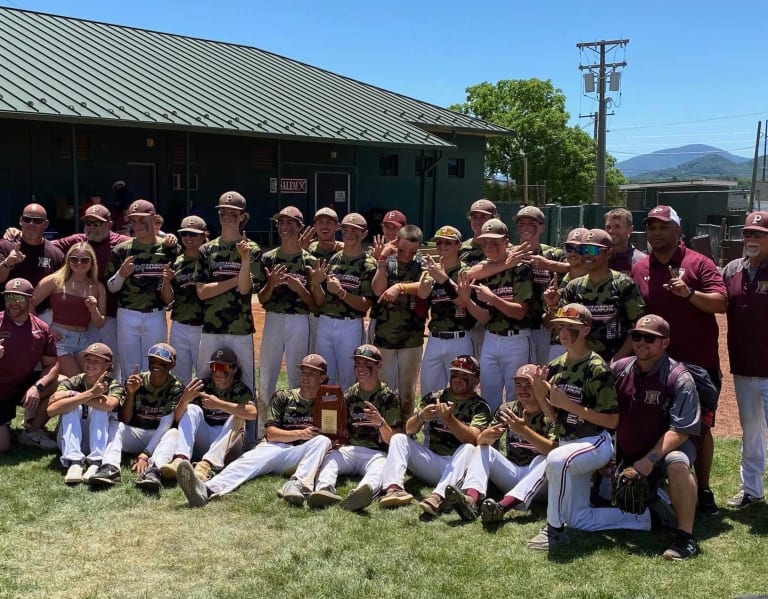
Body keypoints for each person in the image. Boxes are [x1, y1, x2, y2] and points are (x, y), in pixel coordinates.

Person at [526, 303, 650, 551]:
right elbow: (554, 419)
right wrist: (541, 397)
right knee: (578, 518)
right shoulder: (557, 365)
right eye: (560, 326)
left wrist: (569, 405)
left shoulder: (596, 367)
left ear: (585, 330)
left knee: (556, 460)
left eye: (569, 327)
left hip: (595, 443)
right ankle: (642, 517)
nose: (562, 332)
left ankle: (554, 531)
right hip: (567, 442)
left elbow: (612, 421)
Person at [631, 205, 727, 515]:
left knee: (701, 429)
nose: (656, 232)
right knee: (657, 425)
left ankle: (704, 488)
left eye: (663, 226)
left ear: (677, 229)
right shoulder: (640, 267)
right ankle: (660, 486)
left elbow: (721, 302)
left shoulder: (698, 263)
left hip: (698, 363)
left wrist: (689, 294)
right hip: (656, 366)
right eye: (652, 227)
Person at [176, 354, 333, 508]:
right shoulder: (283, 397)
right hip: (275, 447)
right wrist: (301, 433)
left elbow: (333, 435)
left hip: (302, 453)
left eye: (311, 373)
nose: (305, 377)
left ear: (322, 378)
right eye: (303, 372)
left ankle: (297, 485)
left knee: (323, 441)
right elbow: (271, 434)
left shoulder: (329, 402)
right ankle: (207, 489)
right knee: (245, 463)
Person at [612, 314, 701, 560]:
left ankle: (686, 538)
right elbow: (606, 413)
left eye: (649, 338)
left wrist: (649, 460)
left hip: (664, 451)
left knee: (677, 462)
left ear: (665, 343)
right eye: (637, 336)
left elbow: (681, 431)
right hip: (629, 450)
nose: (640, 342)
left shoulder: (679, 378)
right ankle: (658, 500)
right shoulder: (620, 369)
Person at [378, 355, 491, 514]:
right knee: (398, 438)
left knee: (467, 448)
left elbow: (473, 439)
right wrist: (420, 417)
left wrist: (449, 419)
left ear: (476, 381)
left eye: (464, 376)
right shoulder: (434, 398)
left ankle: (438, 497)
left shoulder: (480, 407)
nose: (457, 379)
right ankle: (393, 488)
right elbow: (409, 429)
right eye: (455, 375)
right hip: (431, 461)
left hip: (457, 467)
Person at [194, 191, 264, 446]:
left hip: (241, 326)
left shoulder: (252, 250)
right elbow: (202, 292)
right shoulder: (207, 249)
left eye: (233, 213)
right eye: (223, 211)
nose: (227, 216)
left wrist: (244, 260)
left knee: (244, 381)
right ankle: (200, 435)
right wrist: (234, 279)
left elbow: (246, 289)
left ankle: (248, 438)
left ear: (242, 216)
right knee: (204, 377)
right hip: (212, 326)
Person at [443, 364, 551, 524]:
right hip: (514, 473)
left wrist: (524, 431)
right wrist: (485, 437)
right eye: (519, 384)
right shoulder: (508, 409)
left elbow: (555, 450)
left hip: (543, 484)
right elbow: (480, 441)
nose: (523, 390)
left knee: (545, 460)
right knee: (482, 449)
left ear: (541, 385)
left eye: (529, 384)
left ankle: (502, 507)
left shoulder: (552, 412)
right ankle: (471, 501)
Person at [307, 344, 402, 510]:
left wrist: (380, 422)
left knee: (379, 470)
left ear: (378, 366)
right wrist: (335, 439)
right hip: (350, 450)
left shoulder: (389, 397)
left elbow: (393, 440)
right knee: (331, 458)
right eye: (357, 364)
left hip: (377, 454)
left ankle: (360, 494)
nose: (360, 368)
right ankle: (324, 489)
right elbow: (341, 428)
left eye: (366, 364)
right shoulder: (349, 394)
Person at [87, 343, 191, 491]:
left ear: (171, 366)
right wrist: (130, 393)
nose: (156, 365)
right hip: (136, 432)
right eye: (153, 361)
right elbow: (125, 419)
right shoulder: (137, 380)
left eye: (162, 363)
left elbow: (166, 424)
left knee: (174, 433)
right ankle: (110, 467)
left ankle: (154, 470)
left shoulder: (175, 386)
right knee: (115, 424)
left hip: (159, 437)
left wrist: (145, 454)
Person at [257, 206, 318, 439]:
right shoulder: (269, 258)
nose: (284, 227)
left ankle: (295, 430)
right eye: (281, 223)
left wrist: (300, 289)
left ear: (299, 227)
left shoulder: (310, 261)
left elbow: (314, 304)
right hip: (273, 318)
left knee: (297, 375)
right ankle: (263, 430)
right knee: (267, 373)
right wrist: (271, 284)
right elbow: (262, 299)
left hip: (299, 320)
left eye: (289, 223)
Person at [462, 218, 533, 414]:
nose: (489, 247)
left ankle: (515, 439)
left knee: (516, 393)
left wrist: (493, 298)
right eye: (485, 242)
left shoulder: (520, 267)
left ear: (506, 242)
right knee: (488, 392)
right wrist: (468, 302)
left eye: (495, 242)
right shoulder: (488, 268)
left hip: (516, 338)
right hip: (491, 338)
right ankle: (490, 437)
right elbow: (485, 317)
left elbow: (519, 312)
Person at [722, 211, 768, 509]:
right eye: (748, 234)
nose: (751, 239)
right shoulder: (731, 270)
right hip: (744, 366)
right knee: (751, 431)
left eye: (759, 234)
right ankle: (751, 489)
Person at [161, 347, 257, 482]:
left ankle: (206, 465)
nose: (217, 371)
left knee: (239, 416)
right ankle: (180, 460)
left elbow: (253, 413)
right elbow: (177, 419)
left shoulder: (239, 389)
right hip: (204, 439)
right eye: (214, 366)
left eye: (222, 367)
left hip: (228, 446)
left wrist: (218, 404)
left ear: (234, 369)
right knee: (192, 408)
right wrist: (185, 399)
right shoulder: (203, 386)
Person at [105, 200, 178, 378]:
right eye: (133, 220)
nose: (136, 225)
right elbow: (111, 287)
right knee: (129, 366)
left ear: (154, 219)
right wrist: (121, 274)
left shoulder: (168, 248)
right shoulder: (122, 250)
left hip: (155, 314)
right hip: (127, 314)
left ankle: (150, 403)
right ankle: (129, 404)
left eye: (141, 220)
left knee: (155, 362)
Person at [310, 213, 376, 390]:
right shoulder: (334, 259)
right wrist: (316, 285)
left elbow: (365, 304)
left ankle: (346, 415)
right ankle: (327, 417)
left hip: (350, 324)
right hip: (325, 321)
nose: (349, 234)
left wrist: (341, 292)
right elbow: (321, 301)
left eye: (355, 230)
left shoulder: (368, 263)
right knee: (324, 376)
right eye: (346, 229)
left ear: (364, 234)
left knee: (348, 377)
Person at [558, 229, 645, 363]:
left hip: (617, 363)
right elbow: (562, 324)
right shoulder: (573, 286)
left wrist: (616, 361)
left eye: (592, 250)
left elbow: (638, 328)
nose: (586, 255)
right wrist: (552, 305)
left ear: (608, 253)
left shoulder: (623, 283)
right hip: (582, 362)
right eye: (583, 250)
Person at [371, 224, 429, 419]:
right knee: (385, 389)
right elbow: (378, 290)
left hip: (411, 338)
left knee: (407, 392)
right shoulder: (388, 262)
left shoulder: (421, 263)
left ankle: (405, 433)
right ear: (396, 243)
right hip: (385, 337)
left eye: (412, 251)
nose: (406, 255)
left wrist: (399, 287)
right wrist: (382, 259)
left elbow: (424, 287)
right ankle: (384, 430)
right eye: (402, 250)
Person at [46, 342, 123, 484]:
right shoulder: (74, 381)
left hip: (99, 441)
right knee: (72, 406)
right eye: (88, 360)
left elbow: (110, 404)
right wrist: (90, 394)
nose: (90, 365)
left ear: (107, 365)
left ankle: (96, 462)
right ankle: (74, 462)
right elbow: (51, 410)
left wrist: (74, 395)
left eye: (96, 361)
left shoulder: (113, 384)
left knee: (99, 405)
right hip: (68, 440)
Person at [0, 278, 60, 451]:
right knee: (2, 446)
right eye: (9, 297)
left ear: (31, 300)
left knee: (60, 382)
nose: (13, 303)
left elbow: (52, 365)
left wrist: (37, 387)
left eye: (19, 298)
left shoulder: (41, 329)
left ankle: (32, 431)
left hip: (20, 386)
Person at [32, 243, 107, 377]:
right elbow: (29, 303)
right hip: (60, 340)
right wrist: (46, 330)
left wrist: (93, 309)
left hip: (85, 340)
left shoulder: (97, 287)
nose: (79, 263)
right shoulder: (55, 281)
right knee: (76, 379)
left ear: (92, 262)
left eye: (84, 260)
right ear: (68, 260)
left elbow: (100, 323)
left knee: (91, 379)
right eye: (74, 259)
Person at [419, 225, 475, 396]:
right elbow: (422, 295)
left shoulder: (466, 271)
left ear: (458, 245)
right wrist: (424, 283)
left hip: (459, 336)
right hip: (435, 337)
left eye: (448, 243)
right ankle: (430, 423)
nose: (442, 246)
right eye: (439, 242)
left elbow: (463, 302)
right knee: (428, 390)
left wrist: (443, 278)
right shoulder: (432, 270)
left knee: (460, 390)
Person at [161, 215, 208, 384]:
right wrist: (166, 282)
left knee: (205, 374)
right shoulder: (176, 262)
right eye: (184, 233)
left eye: (193, 234)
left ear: (204, 235)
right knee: (179, 376)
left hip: (204, 325)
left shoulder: (210, 260)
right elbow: (168, 299)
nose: (188, 237)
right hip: (180, 324)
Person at [0, 203, 64, 318]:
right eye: (27, 219)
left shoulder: (56, 254)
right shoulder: (5, 245)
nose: (31, 224)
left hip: (42, 317)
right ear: (21, 221)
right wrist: (7, 264)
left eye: (37, 221)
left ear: (46, 224)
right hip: (7, 317)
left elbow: (60, 292)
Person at [302, 206, 343, 354]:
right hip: (313, 313)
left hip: (336, 314)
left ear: (337, 226)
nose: (324, 226)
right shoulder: (307, 249)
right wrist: (299, 249)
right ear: (315, 226)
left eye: (329, 222)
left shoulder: (343, 251)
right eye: (320, 222)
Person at [605, 207, 645, 274]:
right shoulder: (600, 259)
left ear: (630, 230)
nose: (611, 231)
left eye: (617, 227)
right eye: (608, 227)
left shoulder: (641, 261)